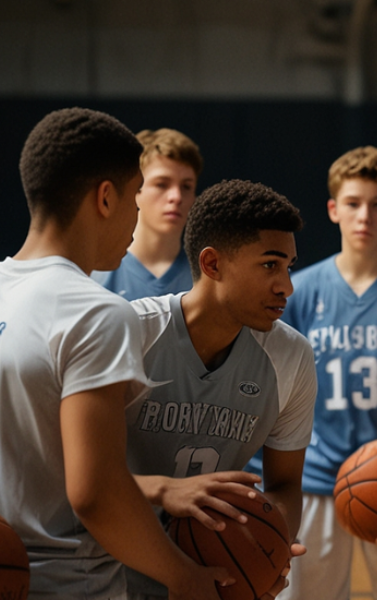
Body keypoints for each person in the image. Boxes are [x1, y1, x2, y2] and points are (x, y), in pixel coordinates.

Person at [0, 107, 228, 598]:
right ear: (105, 197)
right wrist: (183, 576)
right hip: (65, 584)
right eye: (135, 199)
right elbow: (96, 494)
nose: (136, 218)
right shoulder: (96, 311)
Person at [124, 179, 315, 599]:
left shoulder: (291, 356)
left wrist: (267, 551)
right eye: (270, 265)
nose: (287, 286)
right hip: (108, 574)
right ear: (212, 264)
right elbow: (65, 474)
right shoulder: (129, 333)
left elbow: (284, 485)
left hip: (214, 582)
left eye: (289, 267)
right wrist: (163, 490)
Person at [270, 147, 377, 600]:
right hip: (318, 476)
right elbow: (278, 390)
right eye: (354, 203)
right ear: (332, 209)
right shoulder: (300, 291)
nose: (365, 216)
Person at [93, 128, 202, 300]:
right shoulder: (95, 276)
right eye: (161, 184)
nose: (176, 197)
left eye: (186, 186)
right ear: (134, 190)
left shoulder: (208, 280)